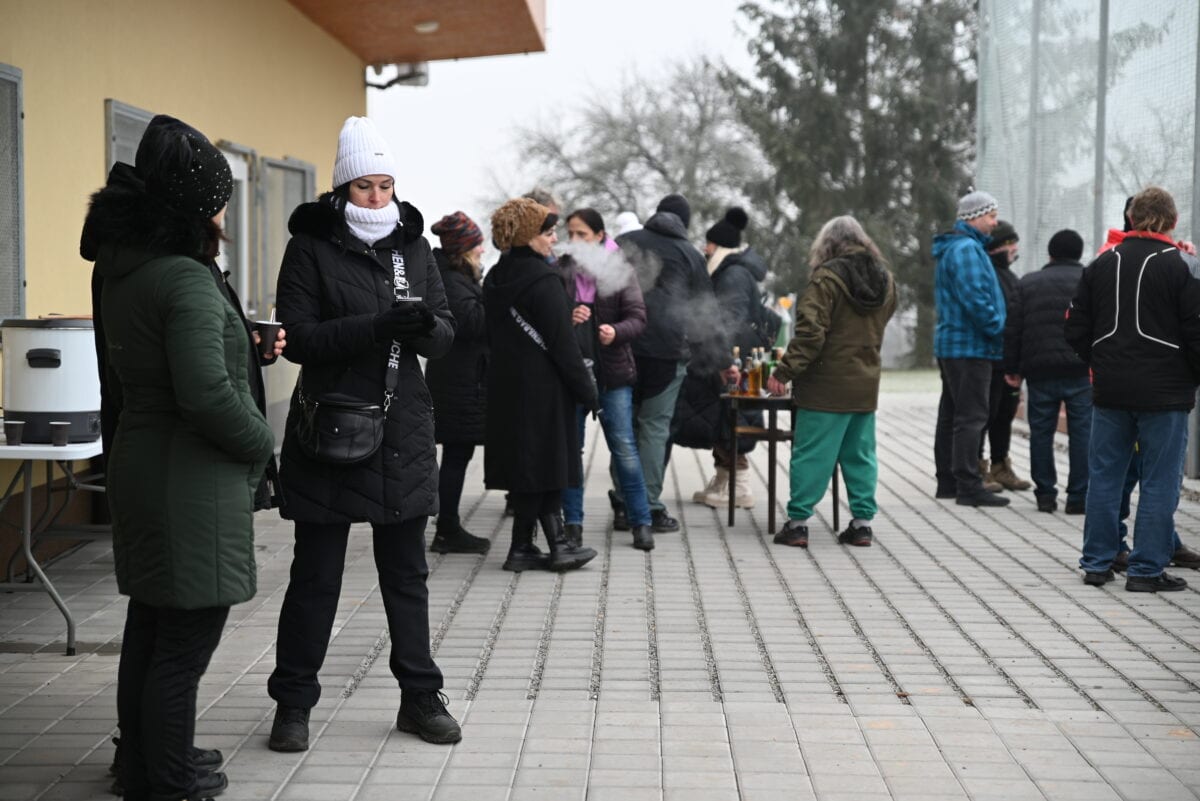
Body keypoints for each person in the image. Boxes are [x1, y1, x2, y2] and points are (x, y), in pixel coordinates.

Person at [82, 114, 275, 801]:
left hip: (141, 461)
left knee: (152, 624)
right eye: (218, 197)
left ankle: (141, 764)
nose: (223, 209)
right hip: (188, 481)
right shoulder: (186, 280)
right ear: (198, 205)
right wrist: (262, 442)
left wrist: (239, 344)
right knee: (183, 648)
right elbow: (204, 394)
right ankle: (167, 781)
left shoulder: (125, 265)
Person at [267, 116, 461, 752]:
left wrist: (423, 327)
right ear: (340, 189)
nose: (378, 199)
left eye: (386, 186)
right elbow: (301, 340)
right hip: (330, 427)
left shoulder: (414, 246)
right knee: (316, 577)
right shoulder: (311, 247)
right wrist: (378, 326)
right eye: (363, 188)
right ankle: (293, 704)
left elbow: (446, 330)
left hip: (402, 425)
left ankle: (420, 697)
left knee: (406, 574)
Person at [1065, 186, 1200, 592]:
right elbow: (1196, 333)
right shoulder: (1184, 265)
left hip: (1110, 389)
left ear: (1133, 217)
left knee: (1105, 476)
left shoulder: (1101, 263)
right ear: (1173, 221)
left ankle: (1097, 563)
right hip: (1166, 393)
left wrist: (1099, 361)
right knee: (1160, 481)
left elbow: (1074, 326)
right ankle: (1145, 570)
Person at [484, 197, 600, 571]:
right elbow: (563, 345)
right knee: (547, 465)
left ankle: (525, 548)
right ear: (529, 236)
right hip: (544, 390)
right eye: (548, 233)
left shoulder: (496, 277)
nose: (554, 240)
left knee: (528, 467)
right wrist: (589, 392)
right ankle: (557, 546)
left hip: (507, 386)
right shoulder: (544, 280)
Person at [767, 216, 896, 547]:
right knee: (860, 455)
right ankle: (862, 524)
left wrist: (783, 372)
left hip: (826, 385)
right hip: (865, 383)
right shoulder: (886, 280)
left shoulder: (825, 280)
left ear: (827, 244)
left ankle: (797, 525)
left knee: (812, 454)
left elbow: (811, 334)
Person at [610, 194, 714, 532]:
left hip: (621, 344)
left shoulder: (625, 242)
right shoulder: (690, 254)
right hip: (666, 354)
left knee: (625, 425)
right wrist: (711, 357)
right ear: (684, 221)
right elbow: (704, 311)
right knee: (654, 428)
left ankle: (624, 503)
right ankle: (649, 506)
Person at [559, 208, 653, 550]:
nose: (574, 241)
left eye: (582, 234)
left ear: (600, 236)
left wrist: (616, 330)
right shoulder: (562, 269)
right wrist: (568, 314)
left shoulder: (619, 269)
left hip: (613, 372)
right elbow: (549, 315)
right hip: (574, 372)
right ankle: (572, 524)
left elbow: (638, 317)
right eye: (571, 233)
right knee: (572, 449)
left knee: (624, 448)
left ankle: (641, 521)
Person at [678, 206, 769, 510]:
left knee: (730, 420)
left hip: (732, 365)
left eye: (710, 245)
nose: (705, 249)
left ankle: (739, 484)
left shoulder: (732, 275)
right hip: (728, 360)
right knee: (722, 421)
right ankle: (723, 480)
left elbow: (730, 321)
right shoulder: (736, 271)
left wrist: (721, 362)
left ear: (720, 247)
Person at [1003, 229, 1091, 514]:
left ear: (1050, 254)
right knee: (1082, 434)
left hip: (1040, 371)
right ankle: (1078, 497)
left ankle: (1045, 494)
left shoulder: (1028, 283)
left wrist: (1012, 368)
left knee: (1041, 433)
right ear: (1079, 254)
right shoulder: (1090, 280)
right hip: (1081, 370)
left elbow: (1014, 328)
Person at [932, 190, 1010, 507]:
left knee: (952, 414)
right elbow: (976, 299)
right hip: (970, 346)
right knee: (972, 416)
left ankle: (949, 481)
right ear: (974, 217)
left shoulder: (960, 247)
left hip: (956, 345)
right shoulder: (966, 250)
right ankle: (968, 484)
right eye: (991, 216)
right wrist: (996, 326)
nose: (994, 223)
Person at [425, 211, 491, 554]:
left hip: (461, 380)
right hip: (458, 383)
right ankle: (447, 527)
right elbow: (473, 324)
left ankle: (446, 524)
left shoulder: (457, 275)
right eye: (477, 244)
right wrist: (497, 297)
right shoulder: (452, 280)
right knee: (455, 453)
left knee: (456, 453)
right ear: (463, 248)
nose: (482, 250)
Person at [980, 221, 1030, 492]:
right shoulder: (987, 275)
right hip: (990, 358)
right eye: (1010, 244)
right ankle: (979, 467)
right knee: (985, 414)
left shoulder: (1011, 278)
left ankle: (1001, 465)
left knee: (1004, 415)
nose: (1014, 249)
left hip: (1008, 360)